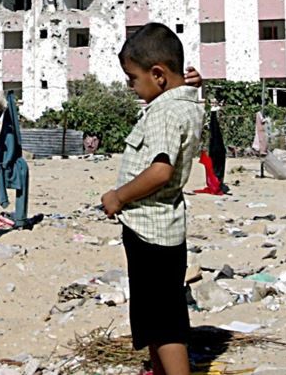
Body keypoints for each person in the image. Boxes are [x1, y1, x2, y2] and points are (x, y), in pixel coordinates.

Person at [101, 23, 203, 375]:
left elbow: (160, 170)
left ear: (158, 74)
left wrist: (118, 196)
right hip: (166, 226)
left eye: (132, 78)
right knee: (158, 314)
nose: (130, 86)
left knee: (164, 321)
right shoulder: (187, 103)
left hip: (149, 230)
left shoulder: (164, 111)